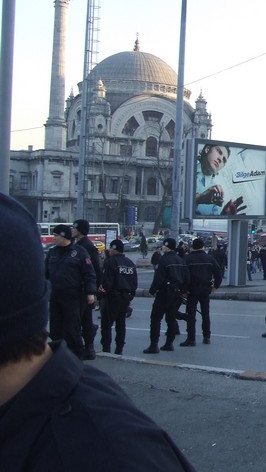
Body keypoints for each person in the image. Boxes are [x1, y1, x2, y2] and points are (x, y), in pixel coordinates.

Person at [0, 193, 196, 471]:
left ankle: (111, 347)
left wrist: (96, 291)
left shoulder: (107, 449)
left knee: (112, 325)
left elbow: (97, 274)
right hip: (117, 297)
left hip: (99, 298)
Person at [45, 224, 97, 360]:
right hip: (55, 295)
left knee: (72, 328)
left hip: (73, 296)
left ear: (64, 236)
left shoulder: (79, 252)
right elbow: (45, 274)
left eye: (56, 235)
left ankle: (76, 357)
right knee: (55, 328)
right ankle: (58, 357)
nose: (53, 238)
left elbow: (89, 274)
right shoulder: (52, 252)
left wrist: (90, 292)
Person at [144, 238, 190, 354]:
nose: (162, 247)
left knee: (156, 319)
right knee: (171, 318)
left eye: (164, 246)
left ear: (167, 246)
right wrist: (183, 290)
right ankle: (169, 343)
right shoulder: (180, 260)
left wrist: (152, 290)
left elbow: (159, 278)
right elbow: (186, 277)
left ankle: (154, 345)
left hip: (164, 292)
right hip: (176, 292)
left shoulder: (163, 259)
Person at [99, 239, 138, 355]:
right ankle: (119, 348)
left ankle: (106, 348)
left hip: (112, 297)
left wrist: (102, 294)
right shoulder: (130, 263)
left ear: (114, 249)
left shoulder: (110, 262)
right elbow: (134, 282)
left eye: (110, 248)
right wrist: (130, 296)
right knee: (121, 324)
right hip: (125, 297)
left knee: (106, 324)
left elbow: (107, 281)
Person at [182, 238, 223, 346]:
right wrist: (216, 286)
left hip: (192, 290)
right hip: (205, 289)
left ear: (193, 247)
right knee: (205, 314)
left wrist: (184, 290)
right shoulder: (209, 258)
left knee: (191, 315)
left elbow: (184, 276)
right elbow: (218, 272)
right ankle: (206, 336)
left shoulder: (188, 259)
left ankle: (191, 339)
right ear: (203, 246)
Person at [71, 219, 102, 360]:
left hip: (85, 289)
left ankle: (89, 347)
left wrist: (94, 290)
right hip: (77, 288)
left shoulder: (87, 246)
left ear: (81, 230)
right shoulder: (77, 245)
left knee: (85, 319)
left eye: (74, 228)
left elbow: (96, 268)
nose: (72, 230)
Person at [194, 143, 246, 216]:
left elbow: (211, 222)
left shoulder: (216, 194)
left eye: (224, 160)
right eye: (218, 151)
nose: (220, 159)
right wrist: (200, 198)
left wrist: (224, 216)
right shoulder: (183, 168)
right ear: (207, 149)